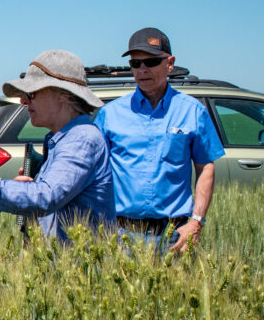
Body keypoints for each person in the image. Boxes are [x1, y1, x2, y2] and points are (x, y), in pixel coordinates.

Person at [0, 50, 115, 242]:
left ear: (63, 95)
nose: (24, 101)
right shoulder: (62, 139)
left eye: (31, 94)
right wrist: (23, 189)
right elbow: (45, 197)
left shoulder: (81, 139)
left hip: (82, 267)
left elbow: (46, 198)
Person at [93, 28, 225, 253]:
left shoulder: (193, 112)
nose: (142, 69)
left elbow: (205, 167)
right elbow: (91, 170)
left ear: (170, 63)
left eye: (151, 62)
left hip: (174, 235)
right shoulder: (109, 114)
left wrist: (196, 222)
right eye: (136, 63)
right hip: (119, 234)